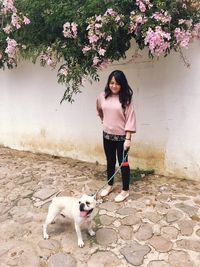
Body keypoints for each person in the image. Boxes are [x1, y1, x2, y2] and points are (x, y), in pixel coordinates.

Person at [96, 70, 136, 202]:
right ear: (108, 83)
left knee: (123, 163)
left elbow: (130, 118)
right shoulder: (102, 96)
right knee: (110, 161)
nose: (114, 86)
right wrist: (105, 121)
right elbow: (100, 110)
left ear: (122, 85)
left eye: (117, 83)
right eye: (112, 83)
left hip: (122, 138)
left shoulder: (126, 99)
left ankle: (125, 190)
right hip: (107, 136)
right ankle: (109, 185)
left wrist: (128, 139)